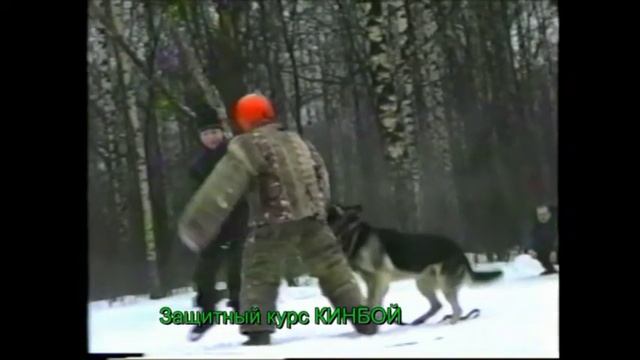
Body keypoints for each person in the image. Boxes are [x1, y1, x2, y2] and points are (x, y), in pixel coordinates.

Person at [178, 93, 377, 346]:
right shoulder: (296, 139)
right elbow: (320, 173)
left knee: (259, 273)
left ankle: (257, 330)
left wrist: (197, 225)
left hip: (274, 219)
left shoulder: (248, 145)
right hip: (312, 216)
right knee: (334, 269)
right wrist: (320, 205)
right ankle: (363, 320)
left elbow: (222, 186)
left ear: (243, 119)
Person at [186, 103, 250, 341]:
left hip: (238, 221)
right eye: (206, 134)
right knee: (203, 273)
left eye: (214, 132)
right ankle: (207, 314)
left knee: (238, 272)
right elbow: (195, 196)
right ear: (200, 137)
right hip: (211, 225)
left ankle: (249, 319)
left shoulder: (235, 155)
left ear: (222, 132)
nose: (211, 137)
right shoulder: (197, 165)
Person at [527, 205, 558, 276]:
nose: (542, 217)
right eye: (540, 215)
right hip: (549, 252)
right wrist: (531, 249)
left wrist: (554, 250)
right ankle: (550, 269)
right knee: (538, 252)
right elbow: (531, 238)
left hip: (555, 250)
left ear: (549, 214)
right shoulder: (536, 226)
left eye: (544, 214)